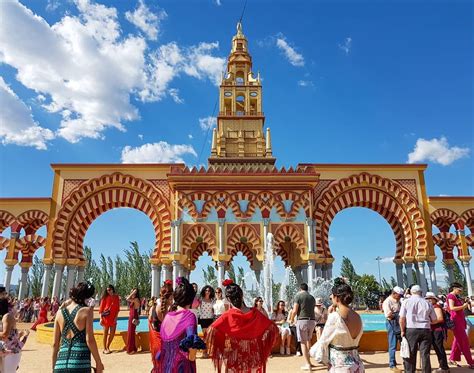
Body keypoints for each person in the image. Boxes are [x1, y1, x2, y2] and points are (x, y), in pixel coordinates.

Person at [206, 279, 278, 373]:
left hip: (235, 359)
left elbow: (211, 330)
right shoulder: (255, 313)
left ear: (228, 299)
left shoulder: (228, 315)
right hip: (254, 358)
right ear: (242, 295)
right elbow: (273, 328)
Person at [310, 279, 365, 372]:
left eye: (332, 295)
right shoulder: (357, 316)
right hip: (358, 365)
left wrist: (311, 351)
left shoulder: (335, 317)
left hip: (341, 366)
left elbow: (323, 341)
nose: (331, 297)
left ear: (337, 297)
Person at [52, 281, 104, 373]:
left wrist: (54, 367)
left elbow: (55, 344)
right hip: (79, 362)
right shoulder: (86, 311)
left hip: (60, 363)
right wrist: (98, 362)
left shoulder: (59, 313)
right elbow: (90, 340)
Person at [159, 277, 205, 372]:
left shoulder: (168, 316)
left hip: (166, 364)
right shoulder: (189, 316)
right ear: (191, 299)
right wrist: (191, 359)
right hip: (182, 366)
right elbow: (192, 348)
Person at [399, 284, 437, 373]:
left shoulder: (406, 302)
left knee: (410, 353)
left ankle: (409, 371)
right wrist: (427, 322)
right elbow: (434, 319)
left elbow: (402, 319)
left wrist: (402, 330)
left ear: (411, 292)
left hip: (411, 329)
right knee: (425, 354)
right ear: (421, 292)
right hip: (425, 330)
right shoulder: (428, 303)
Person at [446, 282, 474, 368]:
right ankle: (471, 362)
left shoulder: (456, 297)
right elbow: (451, 308)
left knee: (457, 340)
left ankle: (452, 358)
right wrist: (463, 306)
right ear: (454, 288)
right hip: (456, 321)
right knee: (464, 341)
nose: (460, 291)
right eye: (459, 289)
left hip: (460, 321)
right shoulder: (451, 296)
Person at [290, 283, 316, 371]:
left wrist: (291, 319)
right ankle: (310, 362)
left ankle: (307, 364)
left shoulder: (298, 296)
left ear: (300, 289)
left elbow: (294, 310)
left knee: (303, 342)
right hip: (312, 321)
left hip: (302, 320)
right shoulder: (312, 297)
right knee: (309, 340)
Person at [149, 281, 173, 372]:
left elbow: (150, 321)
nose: (172, 300)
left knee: (157, 364)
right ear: (169, 297)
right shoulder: (169, 312)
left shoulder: (153, 308)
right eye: (171, 298)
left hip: (155, 340)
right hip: (164, 343)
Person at [0, 289, 25, 373]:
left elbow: (5, 335)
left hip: (10, 353)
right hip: (5, 352)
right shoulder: (4, 316)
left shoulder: (7, 316)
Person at [425, 292, 449, 373]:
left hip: (437, 331)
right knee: (438, 348)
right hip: (434, 330)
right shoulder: (432, 307)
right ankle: (444, 366)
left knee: (439, 349)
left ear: (434, 299)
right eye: (427, 298)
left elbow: (440, 319)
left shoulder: (436, 307)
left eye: (430, 298)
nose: (428, 300)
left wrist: (429, 323)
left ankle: (444, 367)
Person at [382, 286, 404, 372]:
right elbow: (389, 316)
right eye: (399, 295)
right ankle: (392, 364)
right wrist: (397, 314)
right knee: (392, 345)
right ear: (394, 293)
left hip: (399, 323)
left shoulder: (399, 301)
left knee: (403, 344)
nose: (400, 297)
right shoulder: (387, 302)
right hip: (391, 324)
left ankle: (407, 363)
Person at [99, 284, 120, 354]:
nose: (108, 291)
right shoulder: (105, 297)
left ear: (112, 289)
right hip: (106, 317)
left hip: (113, 318)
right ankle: (105, 348)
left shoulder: (116, 297)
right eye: (107, 290)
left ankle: (108, 346)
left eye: (109, 290)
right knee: (105, 333)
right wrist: (100, 318)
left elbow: (117, 309)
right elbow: (101, 309)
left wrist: (116, 318)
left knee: (112, 333)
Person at [126, 287, 141, 354]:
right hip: (132, 316)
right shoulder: (133, 299)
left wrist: (133, 292)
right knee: (131, 332)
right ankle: (133, 348)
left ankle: (130, 349)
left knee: (131, 333)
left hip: (133, 317)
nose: (131, 293)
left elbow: (127, 299)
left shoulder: (136, 299)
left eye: (133, 292)